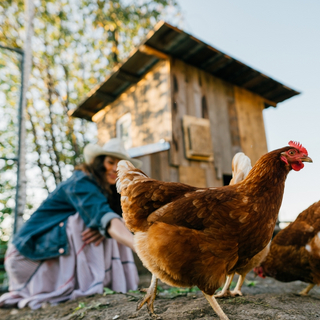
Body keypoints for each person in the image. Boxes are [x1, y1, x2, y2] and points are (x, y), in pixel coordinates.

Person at [0, 138, 142, 310]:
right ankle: (91, 283)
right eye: (110, 162)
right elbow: (105, 217)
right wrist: (142, 247)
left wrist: (105, 227)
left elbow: (112, 219)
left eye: (119, 165)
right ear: (98, 163)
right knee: (84, 221)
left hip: (47, 250)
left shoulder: (110, 190)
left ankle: (100, 281)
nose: (114, 168)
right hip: (25, 255)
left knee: (109, 223)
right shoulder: (80, 182)